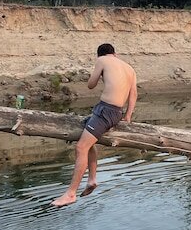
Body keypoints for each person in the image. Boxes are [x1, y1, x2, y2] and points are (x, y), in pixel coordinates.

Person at [51, 43, 137, 207]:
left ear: (101, 55)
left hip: (106, 110)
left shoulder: (102, 60)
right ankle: (91, 180)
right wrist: (127, 116)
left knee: (81, 148)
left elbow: (91, 84)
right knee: (88, 140)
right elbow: (133, 94)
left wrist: (100, 73)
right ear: (115, 54)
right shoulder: (130, 69)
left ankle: (71, 194)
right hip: (115, 112)